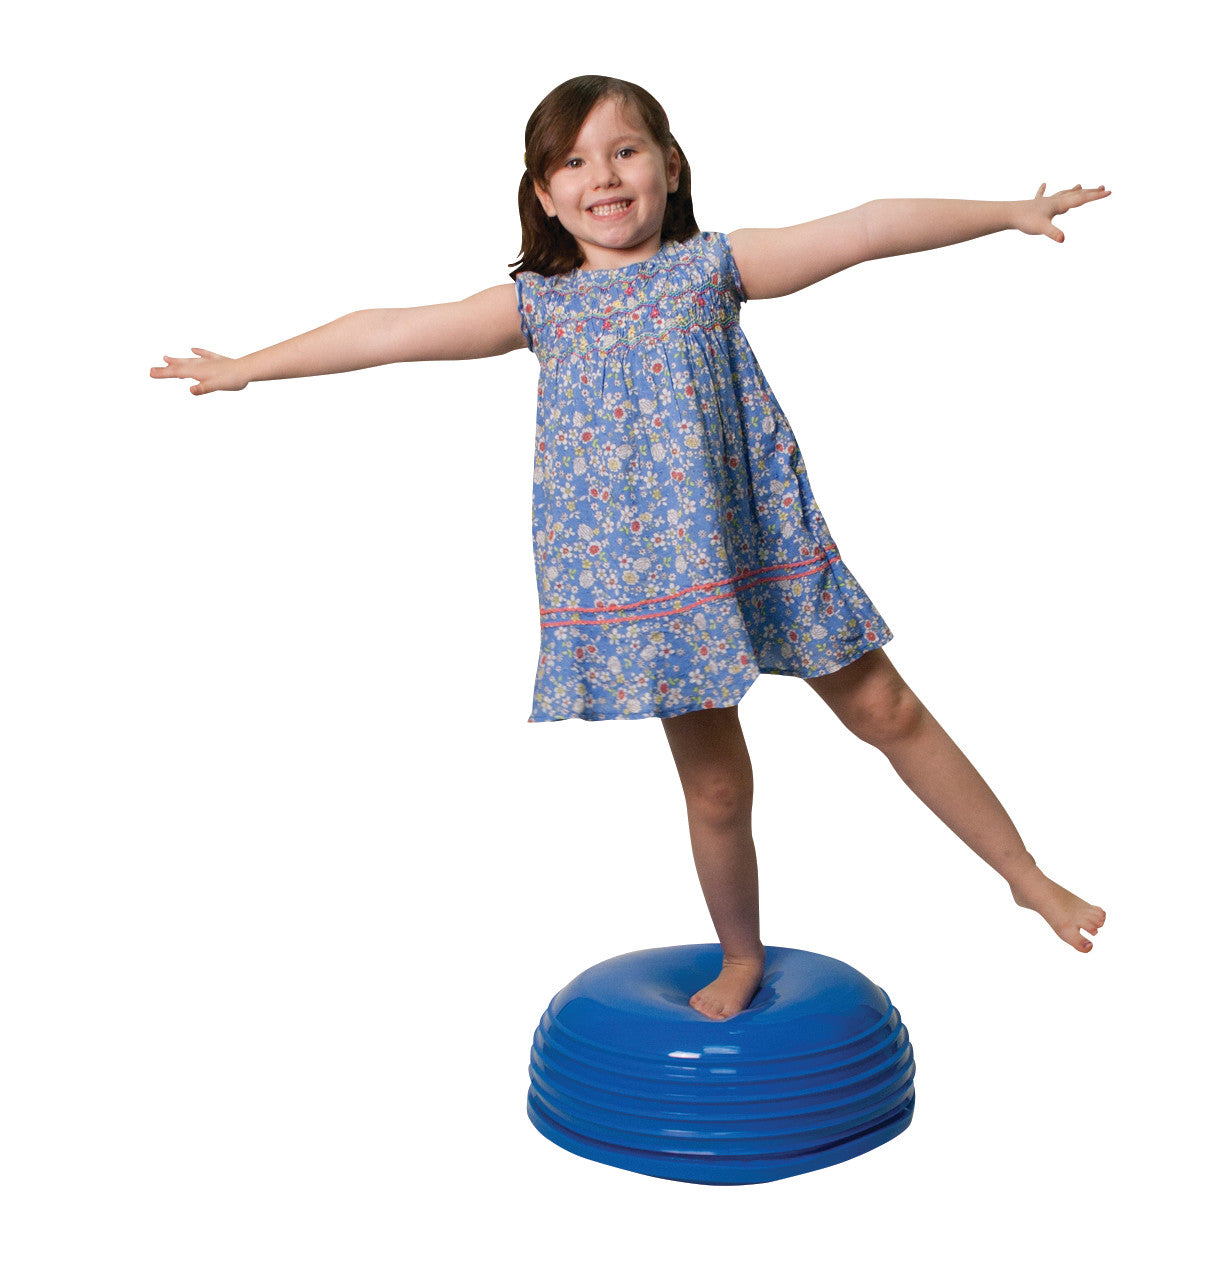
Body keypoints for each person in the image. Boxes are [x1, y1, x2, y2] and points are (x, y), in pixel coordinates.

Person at [151, 75, 1108, 1020]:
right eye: (572, 161)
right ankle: (740, 953)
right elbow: (390, 330)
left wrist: (1008, 214)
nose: (602, 176)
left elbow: (862, 229)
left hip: (757, 539)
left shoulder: (714, 267)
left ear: (668, 165)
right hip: (651, 576)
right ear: (542, 193)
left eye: (624, 150)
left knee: (885, 705)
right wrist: (249, 367)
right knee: (719, 784)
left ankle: (1022, 874)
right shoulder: (538, 306)